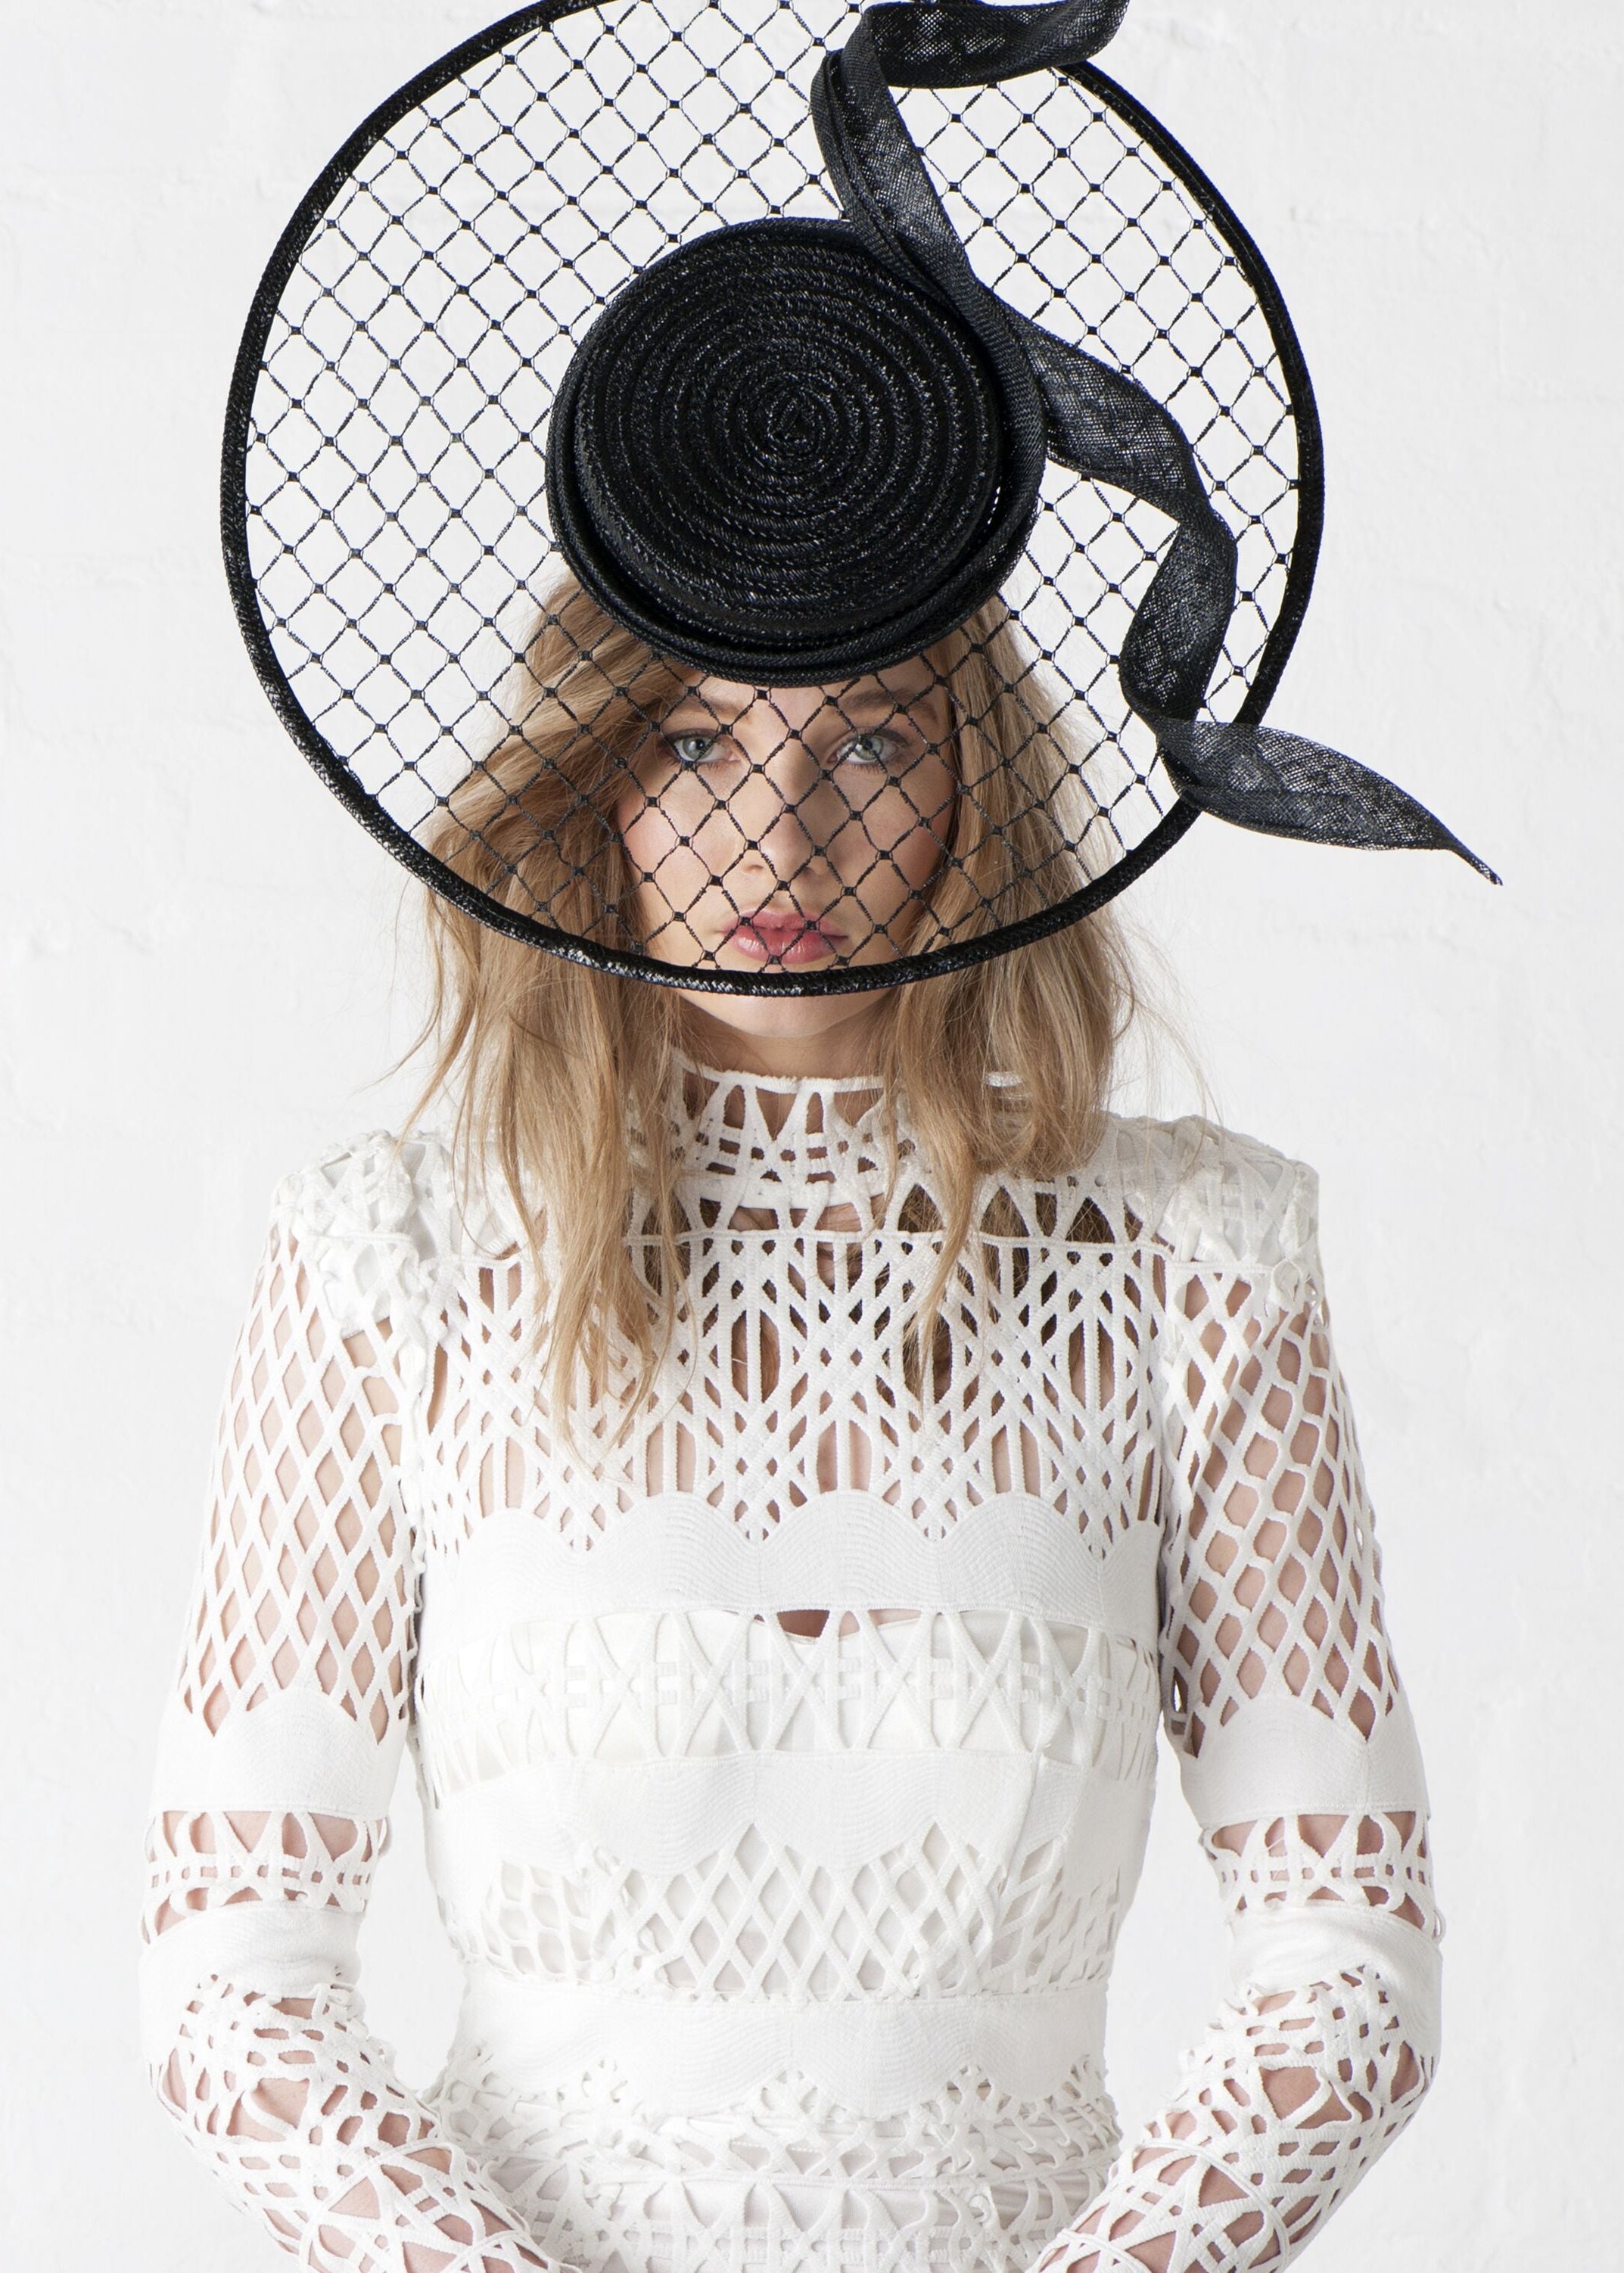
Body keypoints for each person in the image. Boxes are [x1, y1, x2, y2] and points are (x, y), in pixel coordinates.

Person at [139, 569, 1441, 2273]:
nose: (779, 839)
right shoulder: (393, 1265)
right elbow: (234, 1976)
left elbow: (1346, 1953)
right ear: (591, 781)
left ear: (976, 794)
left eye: (876, 744)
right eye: (691, 740)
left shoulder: (1193, 1263)